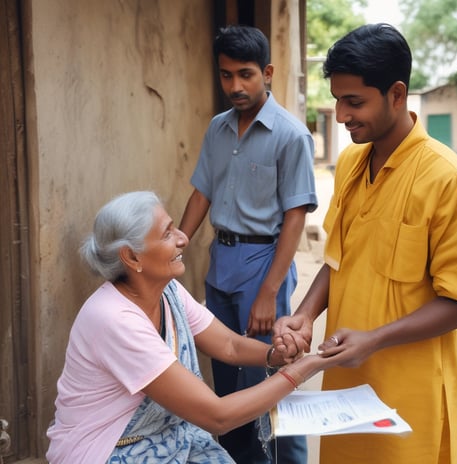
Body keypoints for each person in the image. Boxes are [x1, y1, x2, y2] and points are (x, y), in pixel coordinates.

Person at [273, 24, 457, 464]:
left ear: (397, 94)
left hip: (410, 398)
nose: (342, 115)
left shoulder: (446, 179)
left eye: (355, 102)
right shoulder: (351, 159)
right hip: (345, 387)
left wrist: (375, 339)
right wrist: (306, 315)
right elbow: (338, 259)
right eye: (337, 101)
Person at [45, 191, 334, 464]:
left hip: (167, 438)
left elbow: (229, 346)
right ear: (132, 257)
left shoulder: (168, 290)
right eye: (168, 233)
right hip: (108, 450)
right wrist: (301, 370)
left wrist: (275, 355)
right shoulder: (114, 319)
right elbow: (217, 416)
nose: (183, 238)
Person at [179, 25, 317, 463]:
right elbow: (202, 192)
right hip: (221, 261)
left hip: (264, 262)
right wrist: (177, 245)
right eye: (225, 75)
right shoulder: (218, 129)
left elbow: (296, 217)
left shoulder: (291, 135)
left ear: (268, 73)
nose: (235, 86)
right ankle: (237, 459)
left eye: (246, 74)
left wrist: (269, 292)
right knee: (226, 373)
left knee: (270, 381)